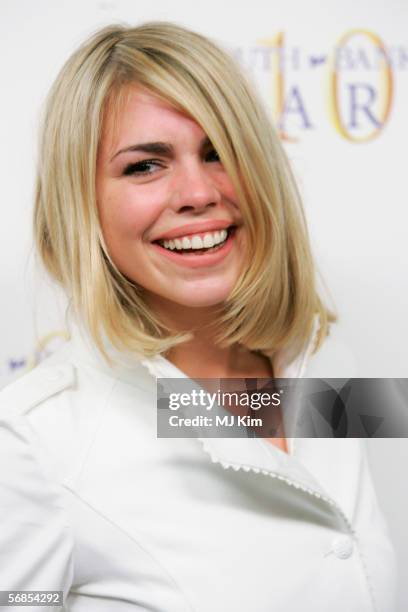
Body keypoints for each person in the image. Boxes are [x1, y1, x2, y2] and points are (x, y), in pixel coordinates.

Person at [0, 21, 397, 612]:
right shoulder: (33, 444)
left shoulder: (322, 362)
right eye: (144, 166)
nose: (197, 192)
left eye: (220, 152)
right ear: (81, 203)